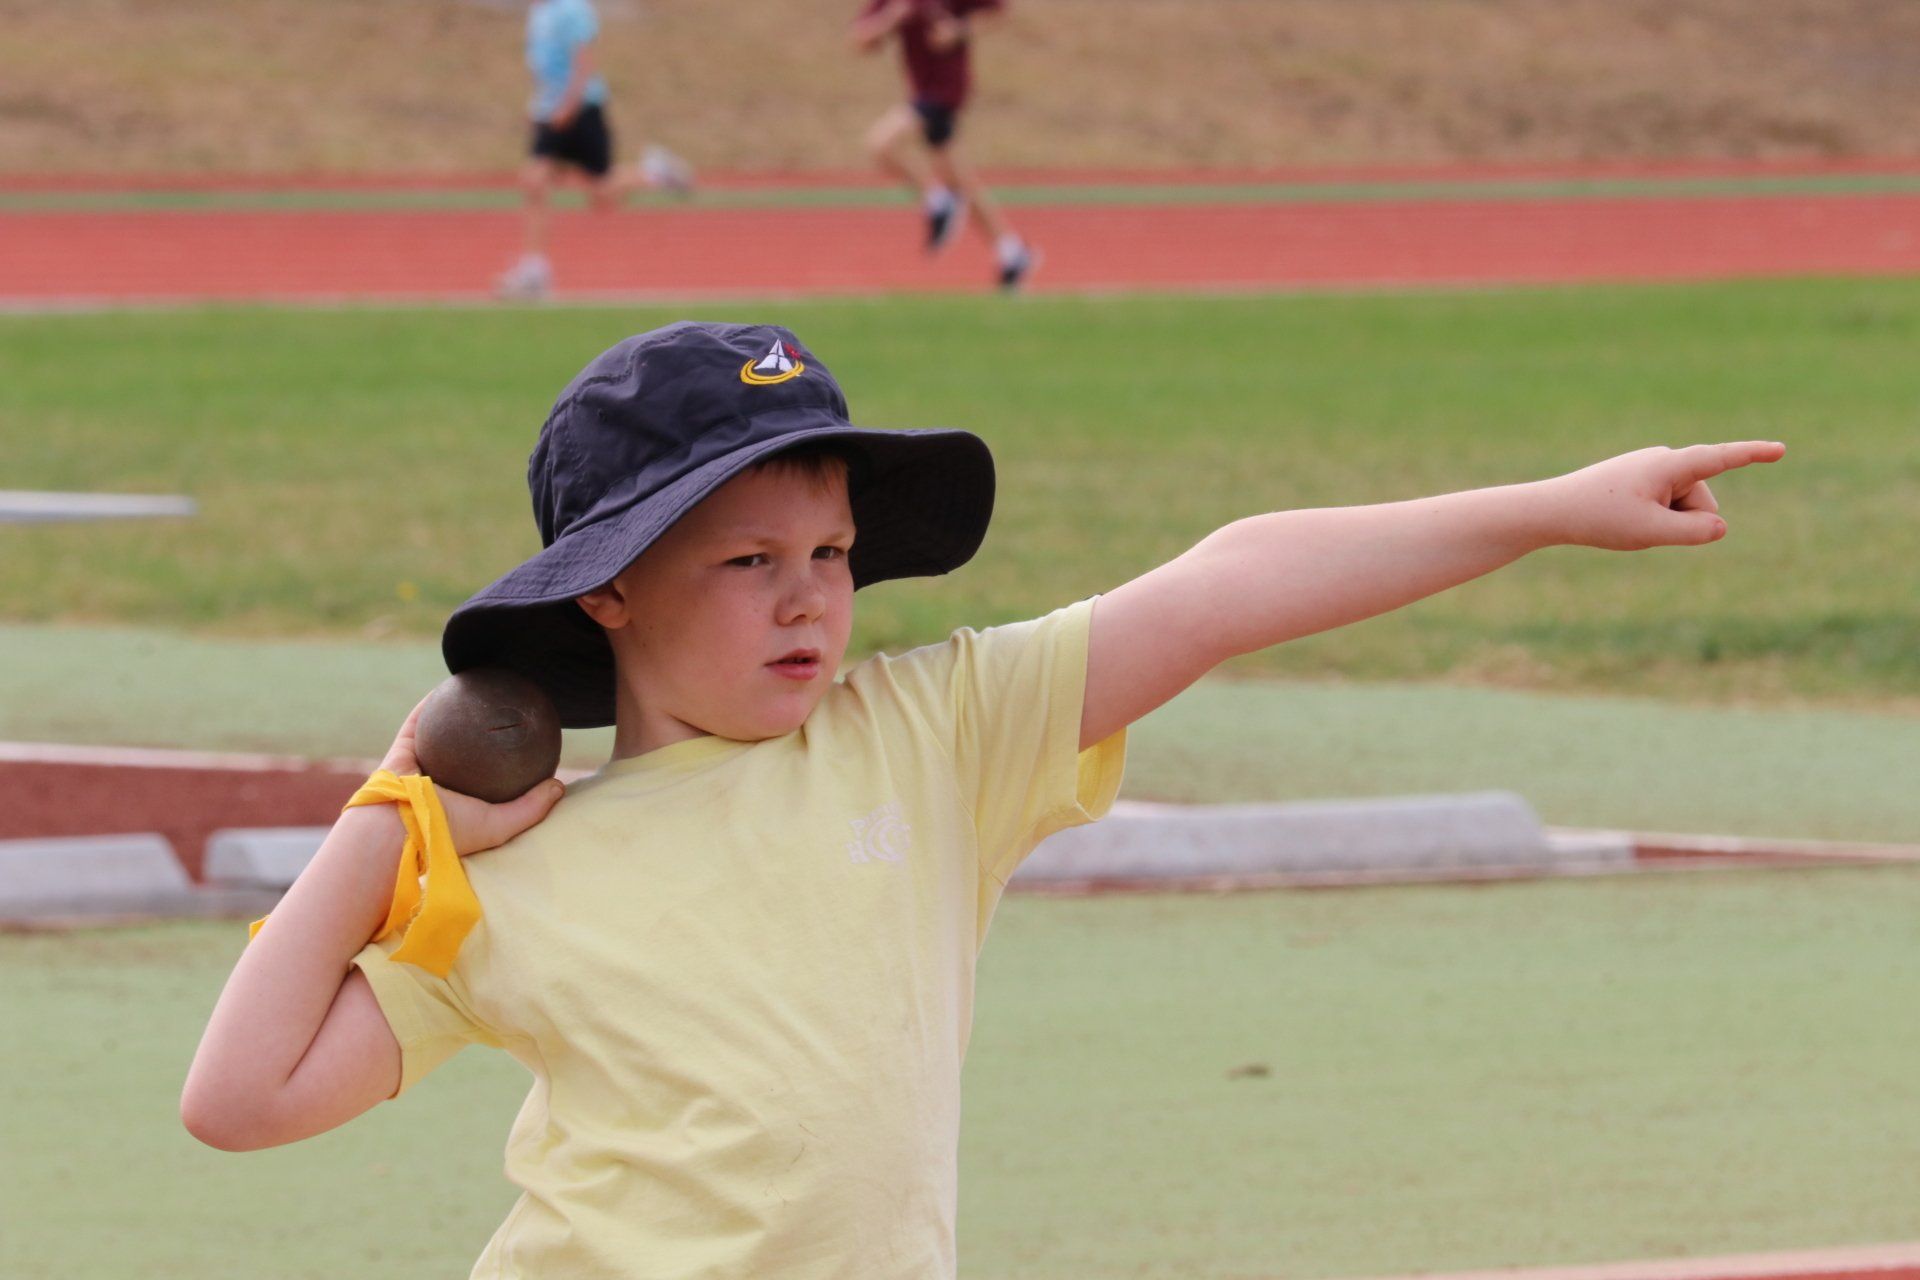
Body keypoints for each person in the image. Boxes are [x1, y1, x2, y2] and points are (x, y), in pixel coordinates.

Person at [181, 320, 1785, 1278]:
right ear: (603, 594)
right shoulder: (528, 871)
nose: (811, 601)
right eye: (749, 564)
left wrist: (1548, 509)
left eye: (830, 557)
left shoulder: (930, 735)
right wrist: (396, 814)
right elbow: (239, 1100)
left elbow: (1226, 581)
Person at [497, 0, 693, 300]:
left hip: (582, 110)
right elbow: (543, 66)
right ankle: (535, 272)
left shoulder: (573, 9)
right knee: (535, 180)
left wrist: (569, 106)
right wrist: (537, 108)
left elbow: (584, 62)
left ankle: (656, 173)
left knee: (602, 192)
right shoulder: (539, 12)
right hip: (551, 111)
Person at [851, 0, 1036, 291]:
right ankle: (1011, 250)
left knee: (880, 144)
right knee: (960, 179)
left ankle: (939, 201)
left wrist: (958, 30)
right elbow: (862, 40)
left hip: (946, 91)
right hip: (922, 90)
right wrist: (891, 17)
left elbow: (1001, 12)